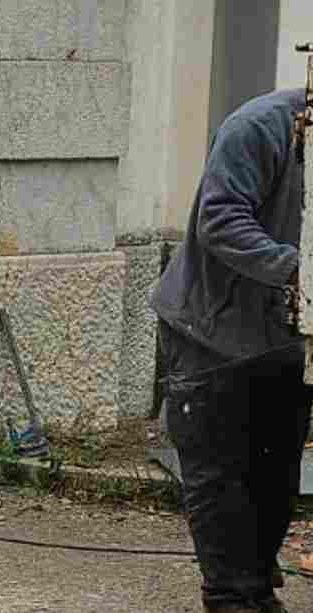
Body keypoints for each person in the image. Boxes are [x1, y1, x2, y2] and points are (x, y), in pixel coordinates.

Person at [151, 87, 312, 613]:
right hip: (208, 335)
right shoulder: (260, 127)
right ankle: (231, 597)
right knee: (221, 481)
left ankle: (253, 590)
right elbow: (220, 220)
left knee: (274, 477)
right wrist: (299, 271)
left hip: (280, 341)